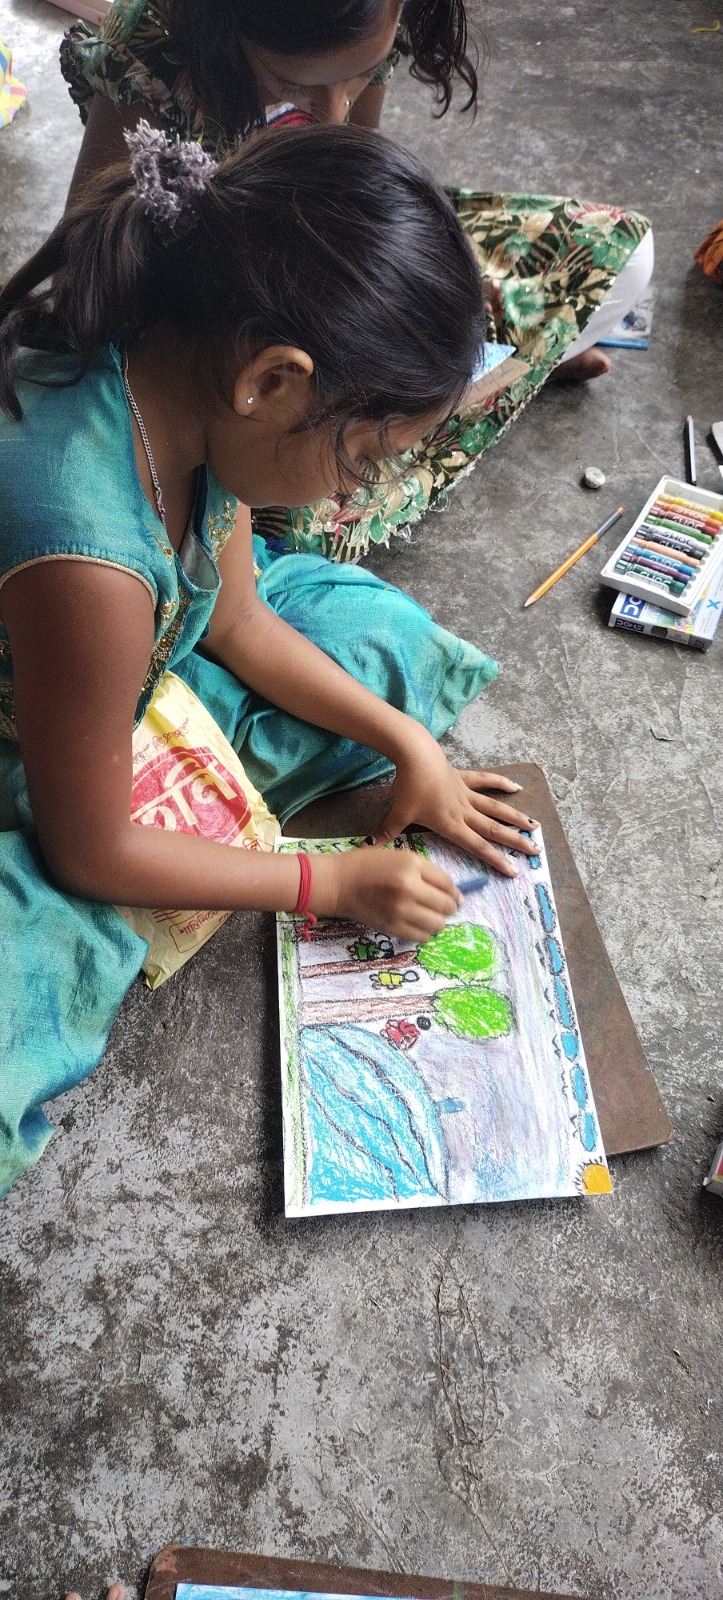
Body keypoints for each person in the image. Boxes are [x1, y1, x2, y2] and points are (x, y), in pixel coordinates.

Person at [0, 122, 538, 1198]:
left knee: (382, 645)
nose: (356, 493)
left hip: (123, 674)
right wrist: (320, 879)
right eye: (364, 457)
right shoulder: (87, 554)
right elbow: (92, 847)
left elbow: (240, 622)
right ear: (275, 382)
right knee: (48, 966)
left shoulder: (190, 374)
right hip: (45, 745)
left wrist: (407, 745)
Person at [59, 0, 654, 562]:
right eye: (294, 84)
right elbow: (87, 276)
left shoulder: (367, 22)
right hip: (235, 327)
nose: (332, 116)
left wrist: (422, 285)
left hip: (336, 287)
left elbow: (357, 185)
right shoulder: (155, 52)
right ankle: (510, 373)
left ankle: (489, 375)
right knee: (299, 501)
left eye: (361, 76)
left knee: (622, 250)